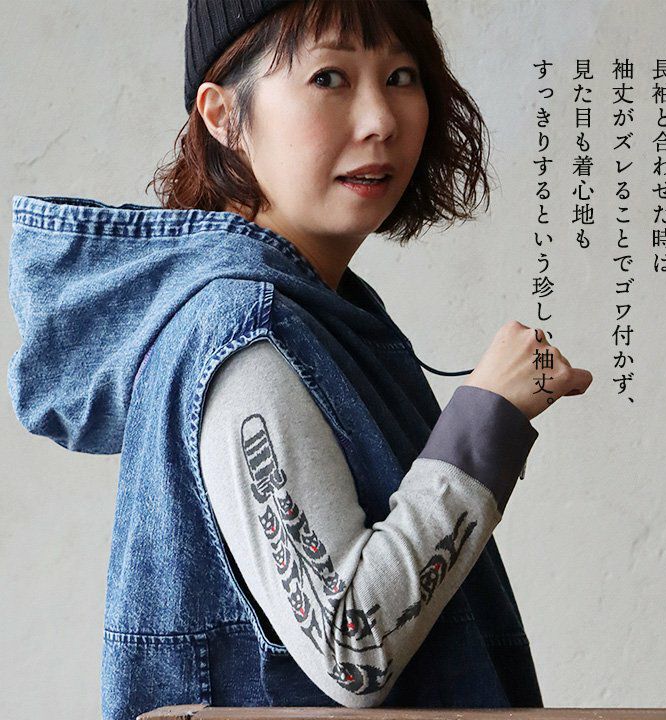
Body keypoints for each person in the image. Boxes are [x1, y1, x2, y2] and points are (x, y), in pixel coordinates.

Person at [6, 1, 592, 718]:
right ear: (223, 116)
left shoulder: (321, 315)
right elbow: (352, 647)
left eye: (401, 76)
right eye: (329, 78)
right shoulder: (244, 332)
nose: (380, 120)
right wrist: (487, 419)